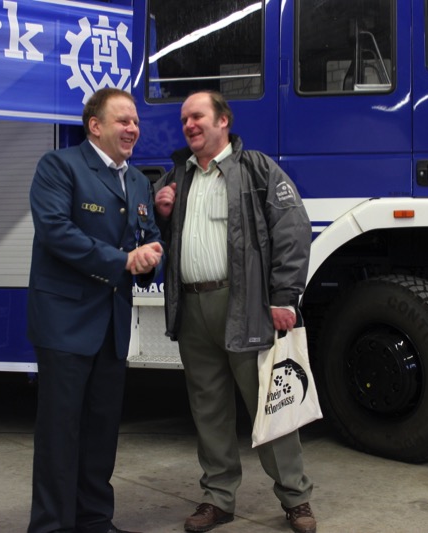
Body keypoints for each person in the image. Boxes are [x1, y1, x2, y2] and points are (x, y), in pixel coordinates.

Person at [153, 90, 317, 533]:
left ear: (223, 120)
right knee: (208, 410)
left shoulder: (256, 169)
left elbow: (293, 228)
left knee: (270, 403)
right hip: (192, 307)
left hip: (244, 306)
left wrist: (284, 297)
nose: (189, 125)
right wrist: (163, 214)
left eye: (198, 116)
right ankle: (218, 498)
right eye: (184, 119)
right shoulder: (178, 176)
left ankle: (296, 498)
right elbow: (161, 240)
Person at [26, 87, 163, 533]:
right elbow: (55, 231)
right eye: (123, 120)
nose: (133, 128)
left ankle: (94, 520)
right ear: (95, 126)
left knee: (102, 431)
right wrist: (122, 260)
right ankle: (51, 526)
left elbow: (144, 239)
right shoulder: (59, 166)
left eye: (135, 121)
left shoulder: (138, 181)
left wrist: (149, 256)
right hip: (65, 324)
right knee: (60, 433)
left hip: (111, 325)